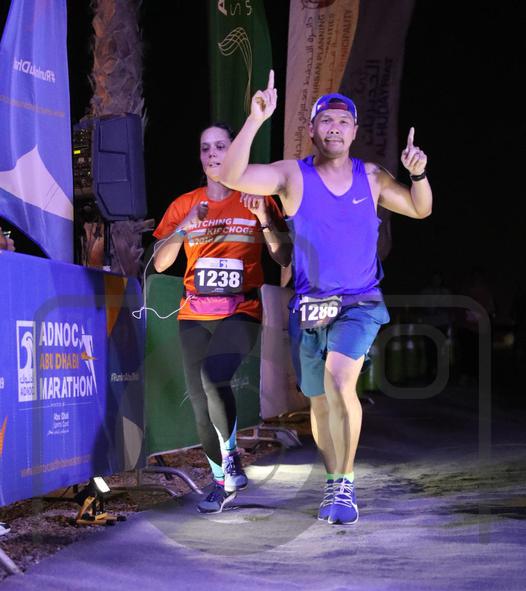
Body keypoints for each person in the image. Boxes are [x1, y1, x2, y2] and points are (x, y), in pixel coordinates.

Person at [214, 71, 433, 526]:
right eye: (326, 121)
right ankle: (333, 479)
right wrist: (255, 120)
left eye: (343, 122)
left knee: (339, 381)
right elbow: (231, 175)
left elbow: (420, 207)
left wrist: (418, 174)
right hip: (309, 307)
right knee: (316, 400)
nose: (335, 128)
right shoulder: (292, 175)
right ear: (312, 130)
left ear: (354, 131)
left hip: (359, 302)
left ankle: (346, 483)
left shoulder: (371, 176)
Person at [152, 122, 290, 513]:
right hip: (194, 313)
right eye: (205, 148)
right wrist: (184, 228)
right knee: (199, 403)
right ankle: (219, 482)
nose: (213, 154)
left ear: (234, 152)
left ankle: (230, 458)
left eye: (220, 147)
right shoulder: (185, 204)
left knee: (215, 376)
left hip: (241, 310)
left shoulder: (256, 198)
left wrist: (264, 218)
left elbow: (283, 257)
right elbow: (160, 264)